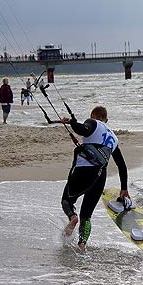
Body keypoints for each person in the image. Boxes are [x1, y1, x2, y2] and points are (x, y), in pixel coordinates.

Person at [60, 106, 129, 250]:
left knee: (67, 200)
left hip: (84, 170)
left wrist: (72, 123)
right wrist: (124, 189)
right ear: (107, 119)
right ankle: (82, 244)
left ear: (92, 115)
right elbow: (122, 166)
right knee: (87, 214)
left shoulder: (93, 123)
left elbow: (83, 130)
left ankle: (73, 217)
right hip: (100, 176)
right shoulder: (114, 138)